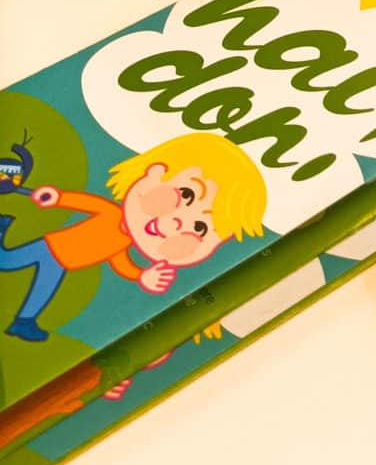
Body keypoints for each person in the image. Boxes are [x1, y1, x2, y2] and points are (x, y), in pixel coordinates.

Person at [0, 134, 266, 343]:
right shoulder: (112, 213)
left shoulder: (123, 243)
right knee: (8, 261)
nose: (176, 222)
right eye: (185, 194)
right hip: (52, 247)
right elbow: (88, 203)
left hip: (63, 263)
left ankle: (23, 321)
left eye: (200, 227)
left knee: (41, 288)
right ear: (154, 173)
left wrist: (141, 275)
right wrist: (59, 198)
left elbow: (119, 262)